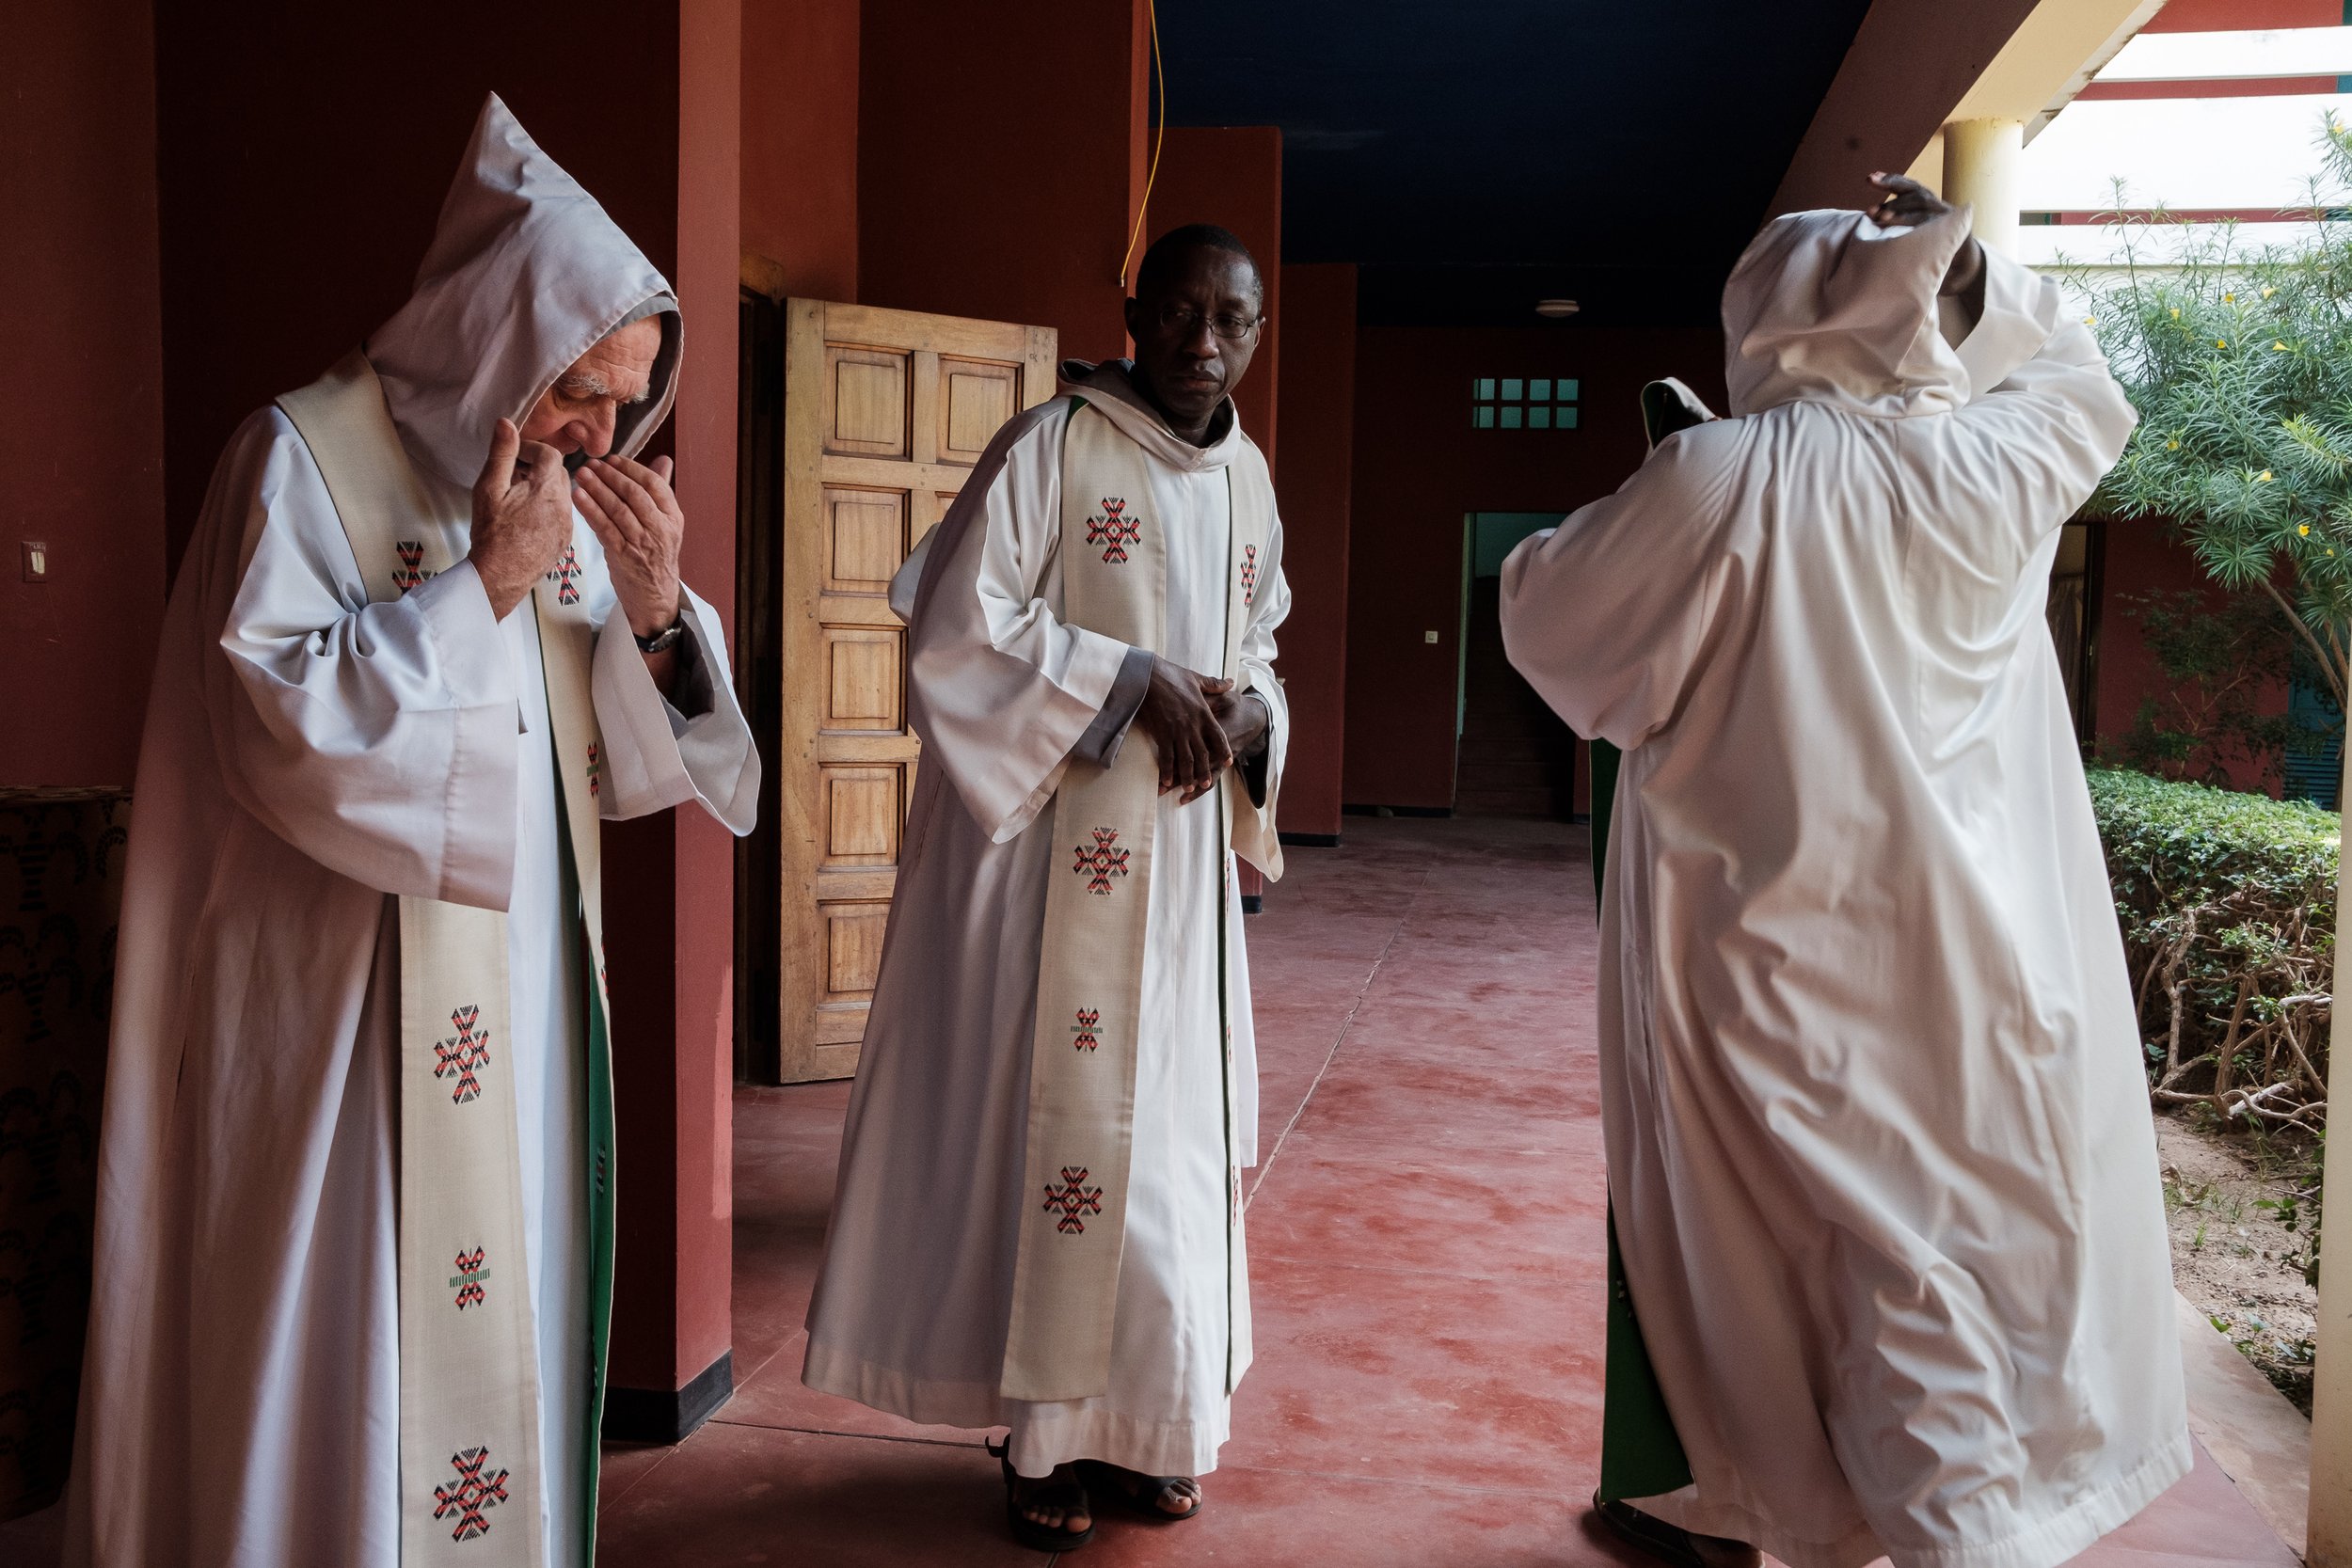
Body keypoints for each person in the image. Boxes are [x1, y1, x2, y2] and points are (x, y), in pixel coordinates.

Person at [65, 95, 757, 1568]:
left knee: (495, 1331)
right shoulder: (297, 464)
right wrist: (478, 591)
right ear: (502, 336)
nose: (603, 433)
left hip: (518, 1030)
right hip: (342, 1031)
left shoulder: (546, 497)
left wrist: (654, 623)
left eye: (630, 402)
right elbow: (285, 733)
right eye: (583, 390)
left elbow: (642, 760)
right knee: (351, 1361)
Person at [1500, 176, 2186, 1568]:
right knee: (1937, 1273)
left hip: (1783, 968)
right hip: (1982, 963)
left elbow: (1546, 618)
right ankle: (1747, 1506)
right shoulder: (1995, 466)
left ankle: (1937, 1538)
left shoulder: (1723, 478)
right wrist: (1969, 266)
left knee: (1854, 1288)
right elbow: (2080, 379)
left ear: (1766, 311)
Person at [801, 223, 1290, 1553]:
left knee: (1165, 1157)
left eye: (1233, 320)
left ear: (1259, 331)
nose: (1203, 342)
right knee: (1061, 1148)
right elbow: (957, 629)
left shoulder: (1247, 477)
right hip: (1044, 874)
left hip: (1175, 886)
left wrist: (1253, 718)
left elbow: (1261, 641)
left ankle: (1146, 1430)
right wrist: (1131, 679)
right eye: (1181, 312)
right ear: (1135, 311)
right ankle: (1041, 1441)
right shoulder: (1050, 449)